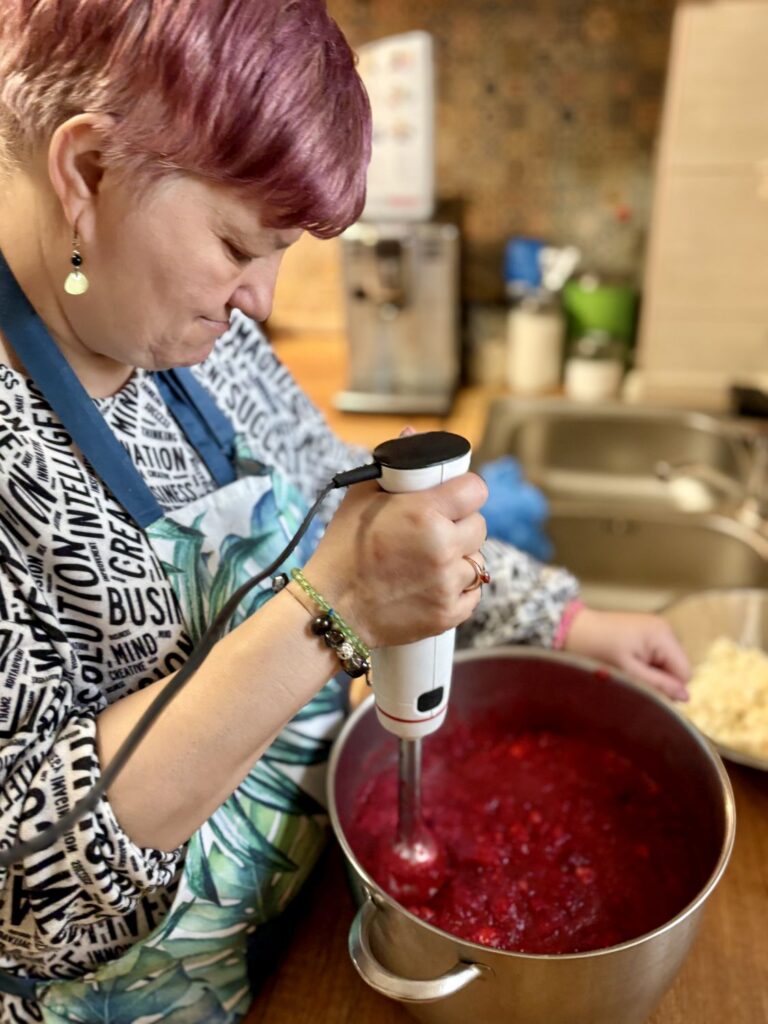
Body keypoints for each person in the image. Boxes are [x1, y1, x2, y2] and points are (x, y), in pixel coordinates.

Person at [0, 1, 689, 1021]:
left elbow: (350, 490)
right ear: (87, 170)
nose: (262, 299)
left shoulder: (194, 337)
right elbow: (27, 890)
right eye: (237, 243)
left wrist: (564, 618)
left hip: (307, 926)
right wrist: (338, 607)